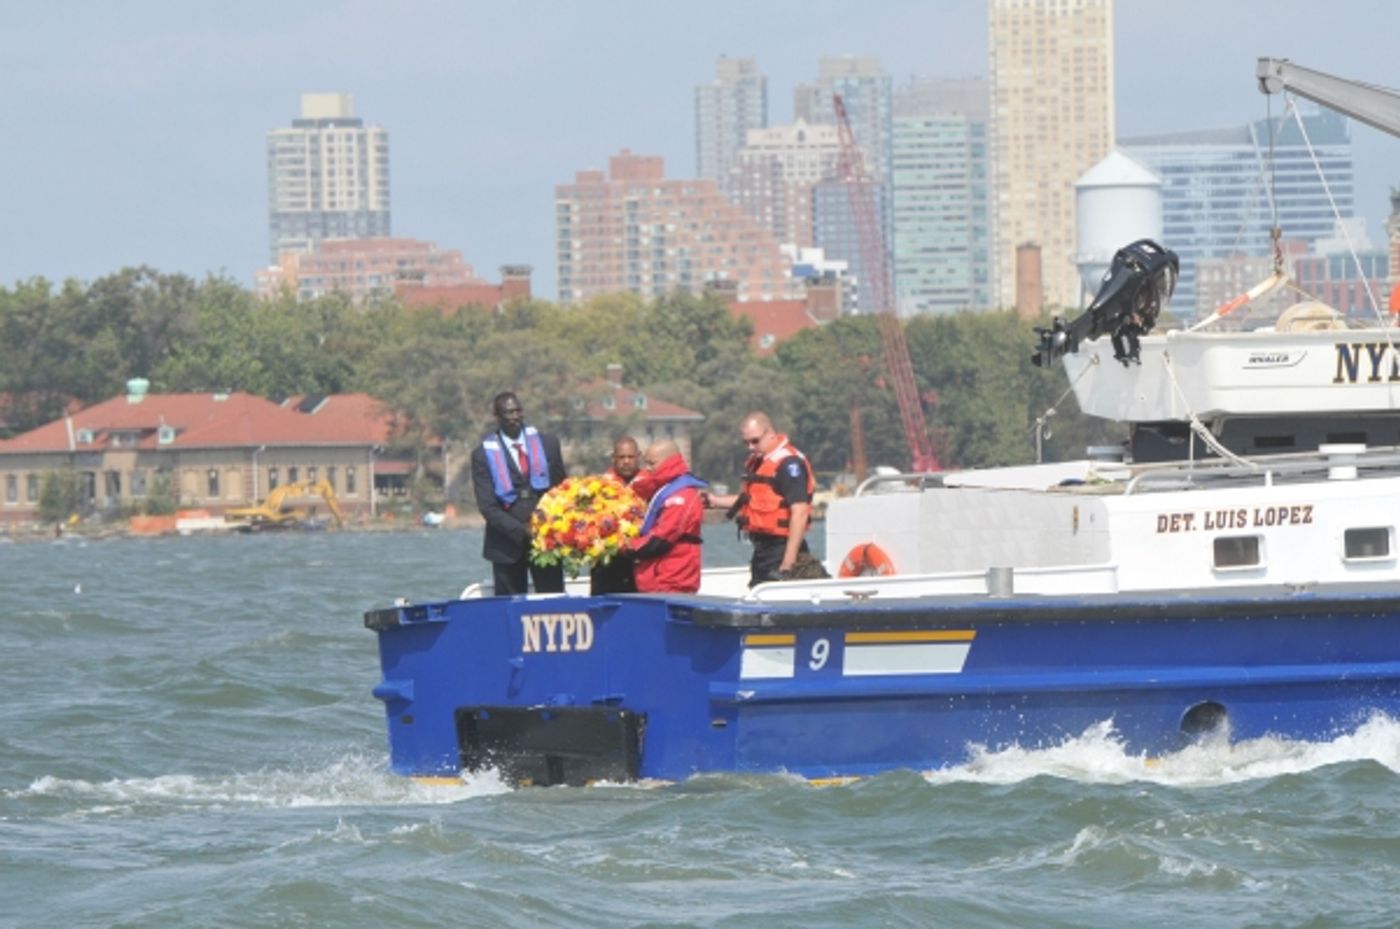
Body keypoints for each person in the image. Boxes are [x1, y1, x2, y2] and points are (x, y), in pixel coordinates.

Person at [470, 391, 567, 595]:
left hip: (545, 538)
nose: (515, 416)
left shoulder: (548, 444)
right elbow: (487, 506)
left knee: (552, 599)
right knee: (510, 607)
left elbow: (561, 489)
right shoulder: (482, 455)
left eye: (518, 411)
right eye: (508, 412)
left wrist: (551, 524)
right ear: (497, 416)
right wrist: (521, 530)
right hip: (506, 543)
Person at [705, 411, 817, 587]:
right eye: (746, 442)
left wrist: (788, 565)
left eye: (755, 441)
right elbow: (750, 500)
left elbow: (800, 512)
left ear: (770, 433)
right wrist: (714, 501)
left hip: (782, 548)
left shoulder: (789, 464)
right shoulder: (760, 462)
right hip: (762, 550)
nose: (750, 447)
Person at [629, 439, 707, 594]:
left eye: (652, 464)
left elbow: (659, 541)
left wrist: (625, 546)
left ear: (669, 462)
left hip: (673, 581)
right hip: (656, 581)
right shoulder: (662, 490)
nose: (647, 469)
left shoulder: (682, 496)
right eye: (646, 464)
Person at [589, 435, 642, 595]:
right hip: (607, 564)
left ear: (638, 457)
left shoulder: (650, 485)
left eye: (631, 457)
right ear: (613, 458)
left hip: (638, 561)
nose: (626, 461)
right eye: (621, 457)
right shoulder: (598, 486)